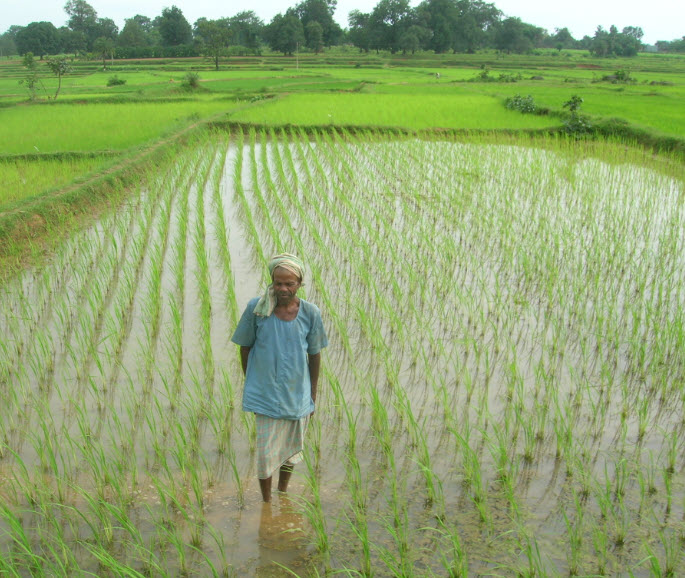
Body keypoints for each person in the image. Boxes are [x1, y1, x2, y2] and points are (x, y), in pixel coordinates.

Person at [231, 253, 328, 502]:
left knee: (290, 451)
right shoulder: (257, 309)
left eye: (289, 283)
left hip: (297, 393)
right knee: (265, 454)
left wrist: (313, 394)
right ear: (272, 281)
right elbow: (245, 347)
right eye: (278, 283)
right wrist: (251, 383)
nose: (283, 289)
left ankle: (282, 492)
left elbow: (314, 354)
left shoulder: (310, 313)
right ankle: (266, 502)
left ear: (299, 284)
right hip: (265, 394)